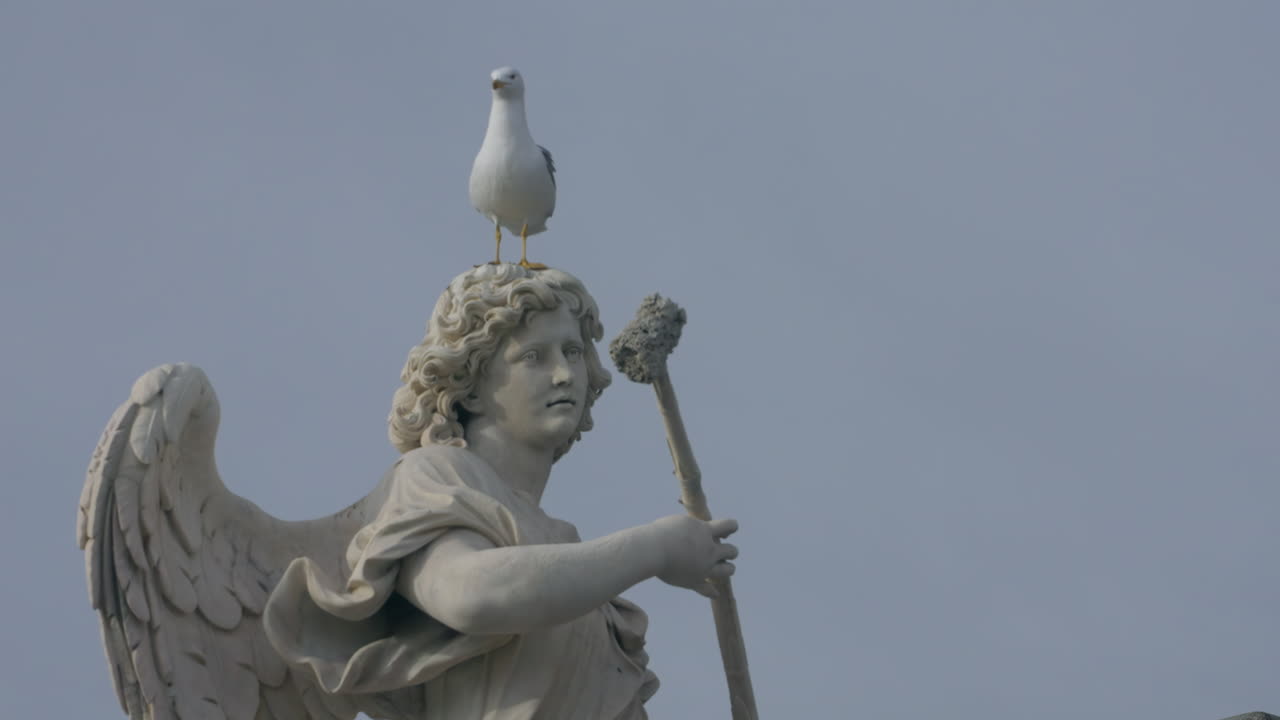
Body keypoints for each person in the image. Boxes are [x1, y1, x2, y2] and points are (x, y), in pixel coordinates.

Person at [263, 264, 739, 720]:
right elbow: (469, 594)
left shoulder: (569, 557)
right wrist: (652, 549)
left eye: (572, 352)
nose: (564, 374)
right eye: (534, 356)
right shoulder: (433, 474)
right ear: (470, 386)